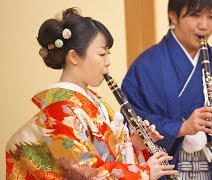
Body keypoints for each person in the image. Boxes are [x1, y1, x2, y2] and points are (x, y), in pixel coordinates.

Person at [5, 8, 178, 180]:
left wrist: (133, 145)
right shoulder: (60, 109)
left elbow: (105, 155)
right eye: (102, 54)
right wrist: (144, 173)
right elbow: (84, 173)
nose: (108, 62)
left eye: (108, 54)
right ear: (74, 57)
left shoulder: (92, 100)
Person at [121, 0, 212, 179]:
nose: (204, 25)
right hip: (170, 170)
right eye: (195, 15)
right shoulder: (146, 66)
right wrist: (181, 127)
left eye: (211, 17)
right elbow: (133, 121)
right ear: (173, 15)